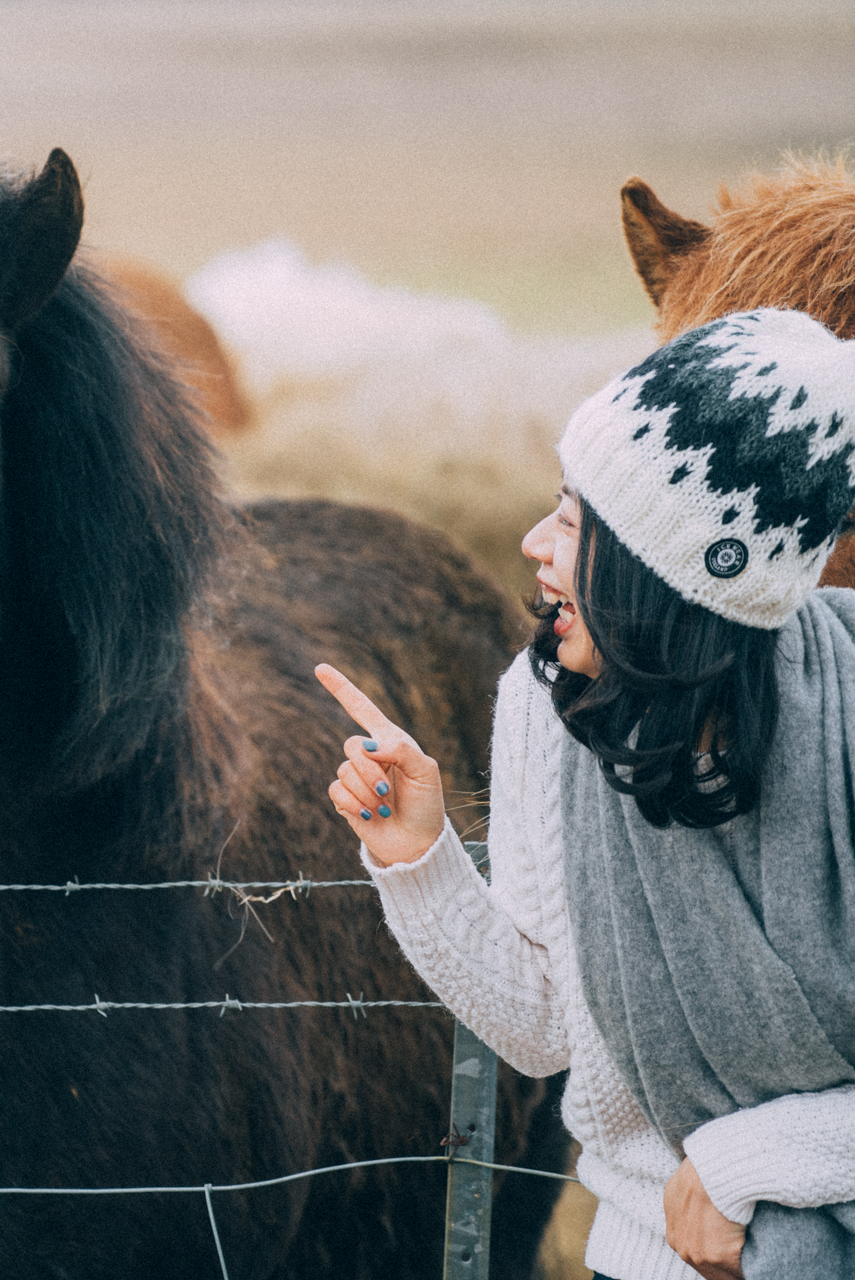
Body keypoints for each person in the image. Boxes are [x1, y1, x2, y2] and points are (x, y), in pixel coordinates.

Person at [317, 309, 855, 1280]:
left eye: (572, 520)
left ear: (679, 563)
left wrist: (759, 1162)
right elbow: (544, 1028)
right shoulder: (545, 708)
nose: (531, 540)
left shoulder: (848, 705)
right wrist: (420, 864)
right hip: (638, 1258)